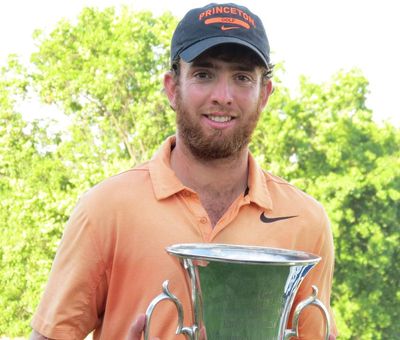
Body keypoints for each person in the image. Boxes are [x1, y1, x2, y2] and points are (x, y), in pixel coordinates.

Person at [30, 2, 338, 339]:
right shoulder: (105, 208)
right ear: (172, 87)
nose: (223, 96)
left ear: (264, 93)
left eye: (242, 77)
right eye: (204, 74)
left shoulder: (306, 221)